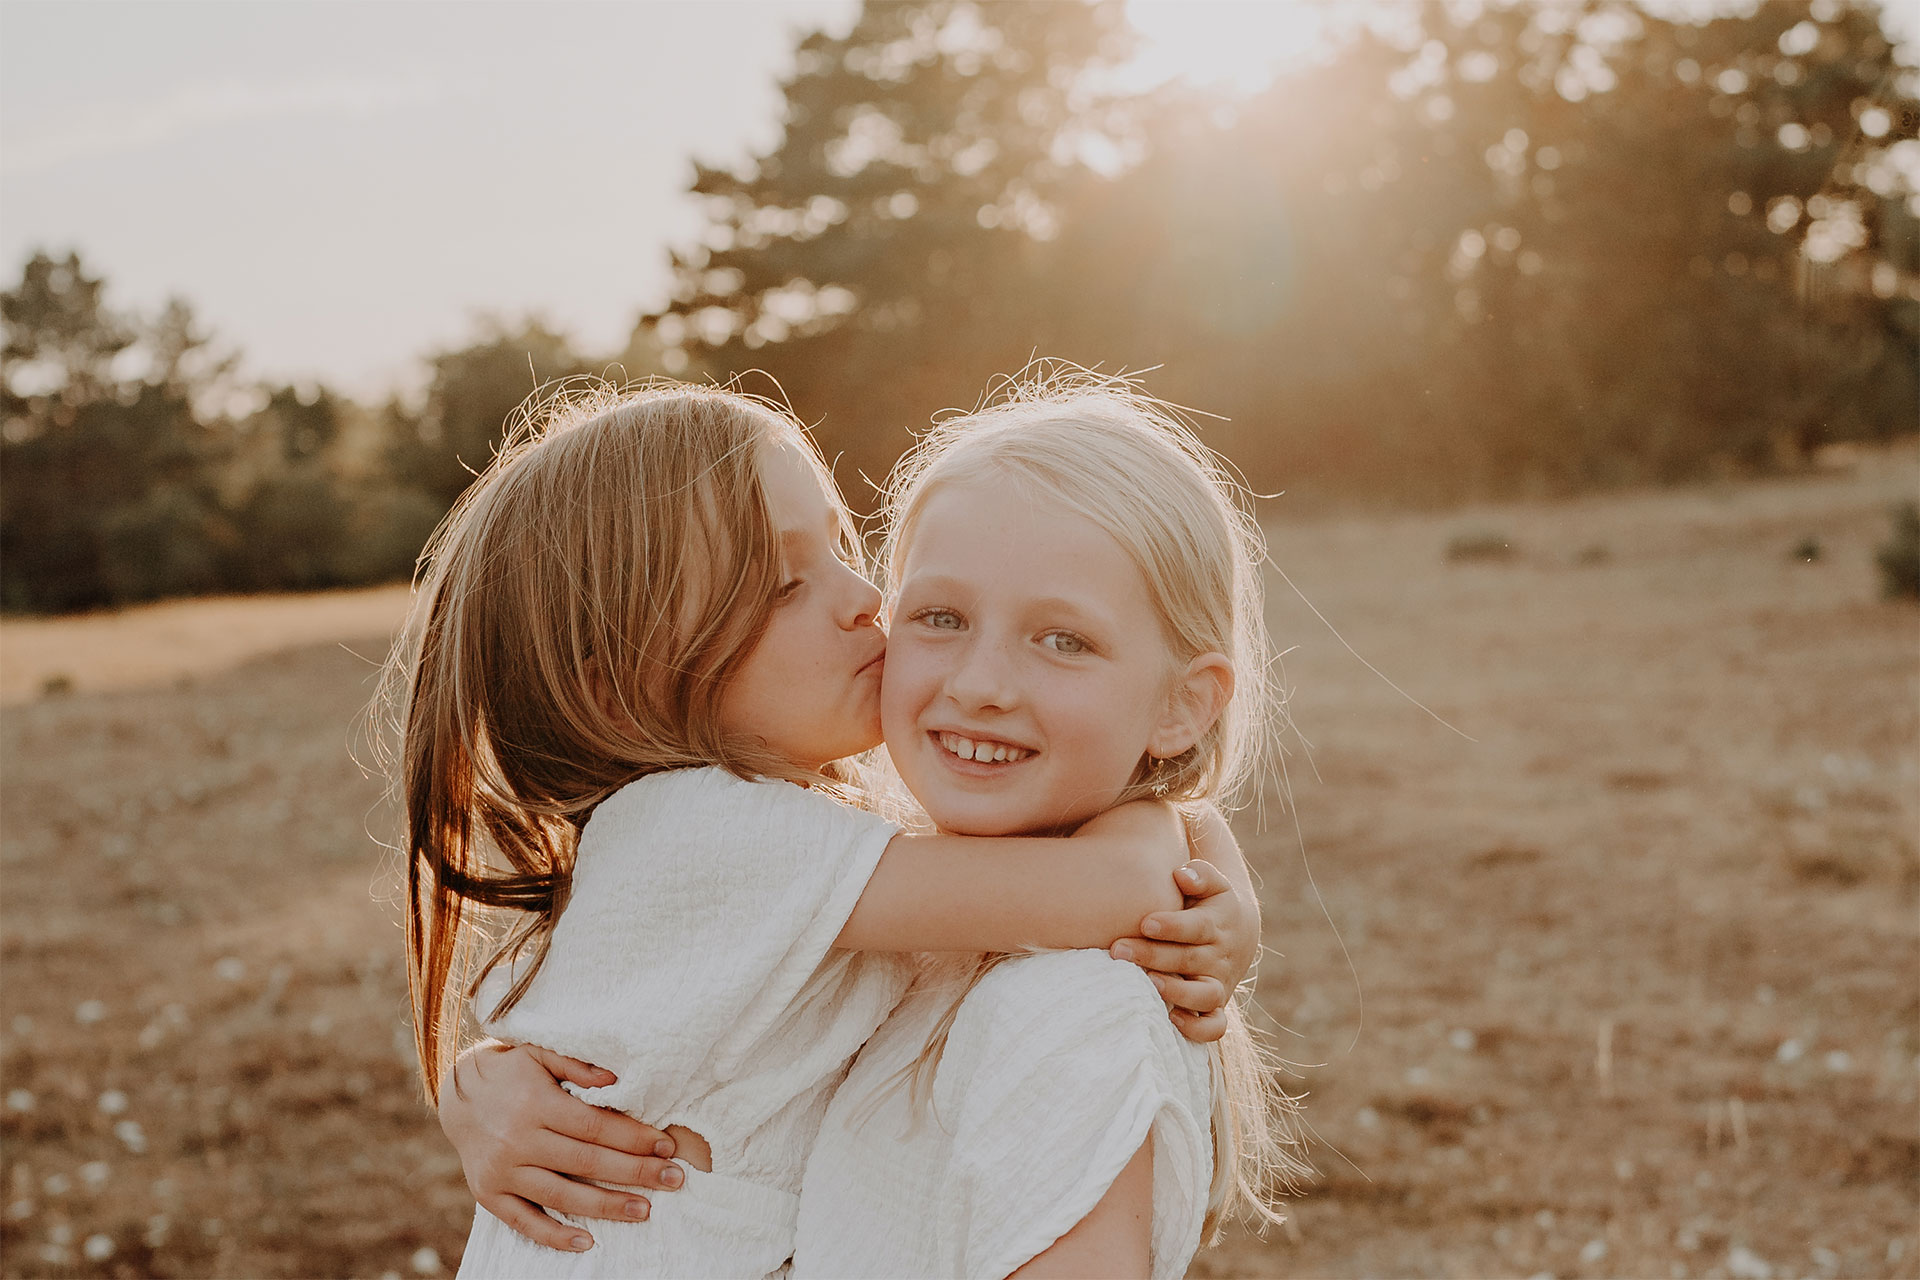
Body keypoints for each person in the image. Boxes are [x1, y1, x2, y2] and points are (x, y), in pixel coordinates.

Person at [386, 380, 1262, 1279]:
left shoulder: (805, 840)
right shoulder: (700, 828)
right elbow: (1111, 892)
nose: (864, 600)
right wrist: (1185, 848)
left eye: (845, 551)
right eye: (783, 585)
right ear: (614, 682)